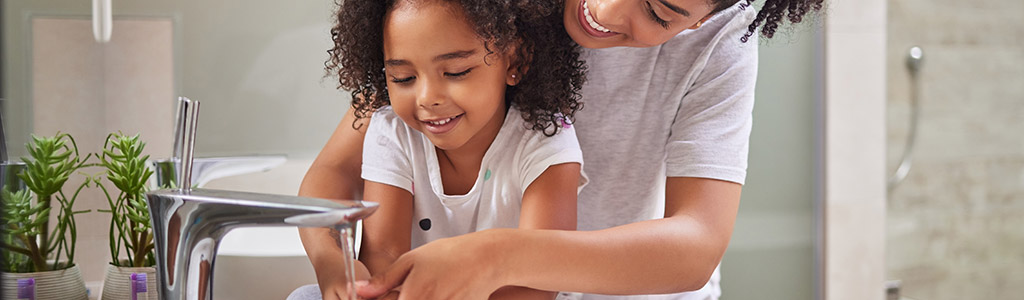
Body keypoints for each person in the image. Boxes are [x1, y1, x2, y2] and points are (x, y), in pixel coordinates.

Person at [297, 0, 824, 299]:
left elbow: (696, 243)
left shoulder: (723, 37)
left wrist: (495, 258)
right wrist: (333, 265)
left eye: (659, 13)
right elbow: (334, 172)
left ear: (702, 20)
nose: (604, 9)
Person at [290, 0, 589, 299]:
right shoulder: (393, 131)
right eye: (404, 78)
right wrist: (338, 266)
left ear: (514, 62)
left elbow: (535, 285)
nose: (427, 98)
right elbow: (383, 258)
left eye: (456, 72)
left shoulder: (545, 140)